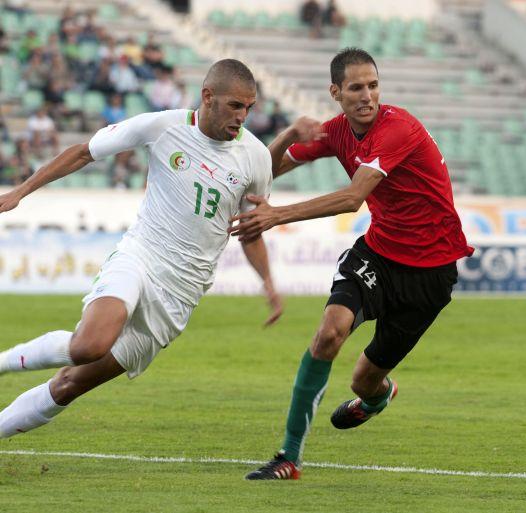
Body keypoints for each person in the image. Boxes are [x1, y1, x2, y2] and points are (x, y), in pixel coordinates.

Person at [0, 59, 314, 439]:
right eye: (235, 106)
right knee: (89, 345)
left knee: (68, 385)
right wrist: (21, 191)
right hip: (141, 257)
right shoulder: (163, 127)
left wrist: (268, 283)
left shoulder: (257, 157)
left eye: (249, 107)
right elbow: (85, 151)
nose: (242, 117)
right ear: (208, 97)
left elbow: (250, 229)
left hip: (179, 295)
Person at [236, 47, 473, 480]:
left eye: (373, 86)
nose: (367, 96)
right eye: (356, 88)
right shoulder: (337, 132)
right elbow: (265, 174)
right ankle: (288, 457)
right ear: (336, 92)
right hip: (379, 255)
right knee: (329, 333)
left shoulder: (396, 129)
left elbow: (352, 198)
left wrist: (275, 214)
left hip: (431, 273)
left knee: (364, 380)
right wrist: (289, 134)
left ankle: (375, 399)